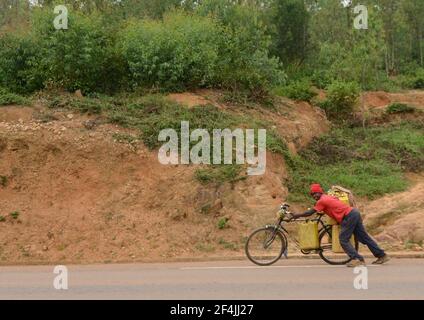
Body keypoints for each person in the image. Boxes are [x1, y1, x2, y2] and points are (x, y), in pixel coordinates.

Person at [288, 183, 390, 267]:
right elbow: (334, 205)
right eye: (312, 194)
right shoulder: (327, 197)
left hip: (349, 216)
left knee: (343, 239)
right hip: (354, 213)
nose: (314, 196)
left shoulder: (322, 201)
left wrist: (296, 215)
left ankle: (357, 259)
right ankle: (382, 255)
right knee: (364, 238)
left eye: (316, 194)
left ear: (320, 193)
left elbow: (309, 213)